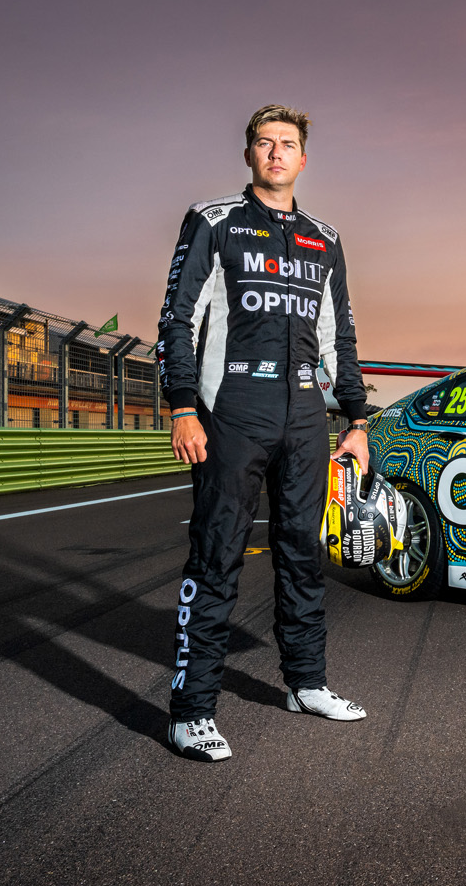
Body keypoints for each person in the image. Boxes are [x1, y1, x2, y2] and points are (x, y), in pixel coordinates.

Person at [156, 104, 372, 762]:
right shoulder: (214, 220)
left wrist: (357, 420)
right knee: (216, 555)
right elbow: (176, 318)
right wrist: (182, 407)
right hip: (234, 408)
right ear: (249, 153)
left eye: (288, 144)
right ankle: (192, 712)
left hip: (305, 414)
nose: (276, 153)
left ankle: (306, 684)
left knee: (303, 553)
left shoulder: (325, 238)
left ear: (304, 158)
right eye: (265, 142)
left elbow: (339, 337)